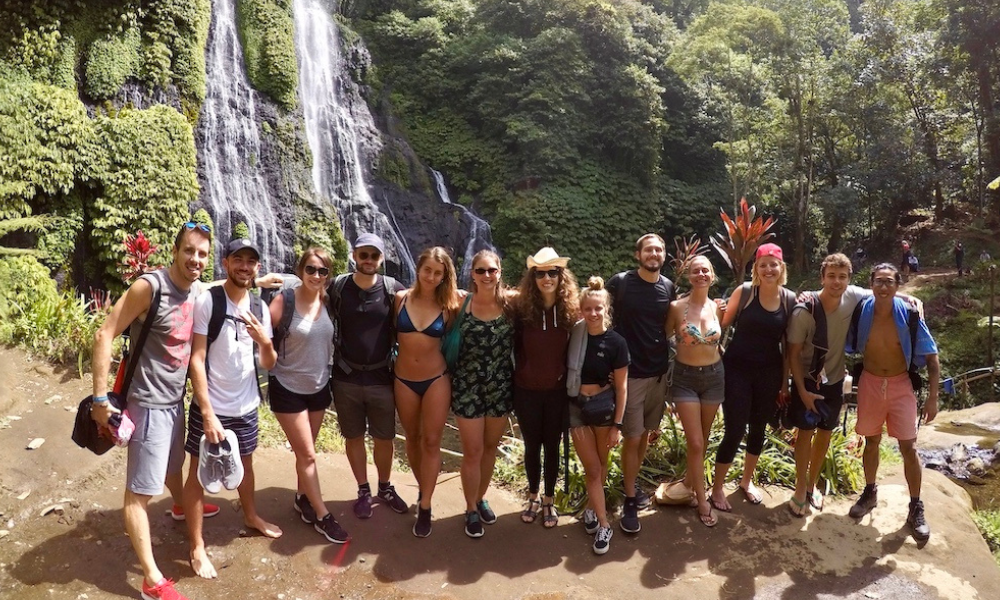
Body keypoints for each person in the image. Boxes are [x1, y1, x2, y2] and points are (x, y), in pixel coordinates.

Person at [91, 222, 213, 600]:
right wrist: (99, 401)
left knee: (173, 466)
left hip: (175, 402)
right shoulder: (150, 287)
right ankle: (151, 580)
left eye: (202, 254)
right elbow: (104, 333)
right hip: (146, 405)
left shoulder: (197, 291)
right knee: (139, 493)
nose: (195, 259)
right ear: (175, 251)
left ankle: (180, 505)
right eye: (189, 251)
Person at [183, 238, 281, 580]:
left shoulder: (260, 307)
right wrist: (207, 411)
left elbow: (269, 361)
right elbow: (196, 358)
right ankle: (196, 546)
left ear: (256, 267)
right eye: (238, 259)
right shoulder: (209, 301)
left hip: (247, 404)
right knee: (198, 472)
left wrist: (264, 341)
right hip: (211, 404)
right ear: (226, 263)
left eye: (250, 261)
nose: (244, 266)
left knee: (247, 463)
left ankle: (251, 515)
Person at [846, 264, 940, 540]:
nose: (884, 287)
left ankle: (915, 506)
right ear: (872, 284)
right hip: (870, 383)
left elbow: (932, 358)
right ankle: (870, 491)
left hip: (901, 384)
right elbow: (831, 292)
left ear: (898, 285)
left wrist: (933, 398)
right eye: (879, 282)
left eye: (889, 282)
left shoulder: (909, 314)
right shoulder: (862, 310)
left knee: (908, 446)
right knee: (871, 441)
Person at [267, 248, 349, 543]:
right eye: (311, 269)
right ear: (301, 270)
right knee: (309, 455)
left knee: (306, 451)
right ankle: (323, 515)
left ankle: (302, 498)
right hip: (287, 387)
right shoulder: (284, 301)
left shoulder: (329, 301)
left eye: (322, 271)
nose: (316, 275)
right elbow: (263, 340)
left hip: (318, 387)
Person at [329, 233, 409, 520]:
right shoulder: (337, 287)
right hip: (345, 376)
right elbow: (307, 294)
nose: (368, 260)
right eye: (363, 255)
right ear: (354, 255)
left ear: (381, 258)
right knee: (353, 436)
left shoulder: (394, 289)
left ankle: (385, 487)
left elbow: (422, 310)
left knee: (384, 437)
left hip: (381, 377)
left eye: (374, 256)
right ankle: (363, 489)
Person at [711, 243, 795, 512]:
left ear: (781, 267)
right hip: (736, 369)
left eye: (774, 264)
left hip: (769, 373)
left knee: (758, 428)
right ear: (756, 269)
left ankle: (746, 483)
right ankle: (717, 489)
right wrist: (716, 308)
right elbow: (721, 324)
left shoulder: (789, 299)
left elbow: (787, 345)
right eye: (763, 264)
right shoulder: (745, 292)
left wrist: (784, 382)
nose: (769, 269)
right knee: (734, 429)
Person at [786, 253, 869, 517]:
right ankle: (800, 487)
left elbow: (881, 291)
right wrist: (801, 391)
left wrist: (909, 298)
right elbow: (793, 354)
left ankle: (812, 486)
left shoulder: (853, 296)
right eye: (831, 276)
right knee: (805, 432)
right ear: (822, 277)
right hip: (808, 381)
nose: (836, 282)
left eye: (842, 277)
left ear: (849, 279)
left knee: (825, 433)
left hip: (833, 380)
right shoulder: (805, 310)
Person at [605, 233, 676, 531]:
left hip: (658, 373)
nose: (654, 253)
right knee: (632, 437)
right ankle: (631, 496)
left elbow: (670, 327)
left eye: (659, 249)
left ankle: (630, 483)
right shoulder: (620, 283)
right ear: (638, 255)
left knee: (646, 434)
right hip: (630, 375)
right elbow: (600, 319)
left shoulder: (669, 287)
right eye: (648, 249)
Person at [394, 246, 461, 538]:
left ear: (445, 275)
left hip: (436, 378)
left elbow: (489, 300)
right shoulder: (399, 300)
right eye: (427, 270)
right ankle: (424, 486)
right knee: (412, 438)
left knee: (432, 441)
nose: (432, 277)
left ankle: (426, 505)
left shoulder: (451, 305)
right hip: (403, 378)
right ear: (418, 269)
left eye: (438, 272)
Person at [512, 248, 579, 529]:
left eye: (553, 272)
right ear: (533, 277)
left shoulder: (570, 311)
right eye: (540, 273)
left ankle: (549, 499)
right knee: (531, 446)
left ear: (561, 276)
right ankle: (533, 496)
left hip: (556, 392)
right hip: (526, 390)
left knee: (552, 446)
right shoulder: (522, 310)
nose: (547, 278)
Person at [451, 250, 514, 538]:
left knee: (490, 448)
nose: (487, 275)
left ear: (500, 272)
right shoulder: (460, 305)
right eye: (481, 271)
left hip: (500, 387)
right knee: (473, 451)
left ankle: (480, 497)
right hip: (468, 387)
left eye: (492, 270)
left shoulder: (510, 305)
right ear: (472, 274)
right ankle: (470, 509)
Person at [663, 255, 725, 527]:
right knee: (696, 443)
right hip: (685, 378)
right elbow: (664, 339)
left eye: (706, 271)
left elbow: (721, 341)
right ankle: (702, 500)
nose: (701, 274)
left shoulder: (717, 307)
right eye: (696, 271)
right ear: (689, 276)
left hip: (714, 377)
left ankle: (690, 482)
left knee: (704, 438)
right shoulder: (676, 308)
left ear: (712, 276)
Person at [570, 277, 628, 555]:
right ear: (581, 310)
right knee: (593, 468)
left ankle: (592, 509)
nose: (593, 314)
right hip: (577, 409)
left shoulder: (616, 343)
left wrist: (618, 424)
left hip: (604, 408)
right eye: (588, 309)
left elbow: (622, 387)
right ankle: (604, 524)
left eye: (598, 308)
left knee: (601, 464)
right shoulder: (574, 337)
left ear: (606, 309)